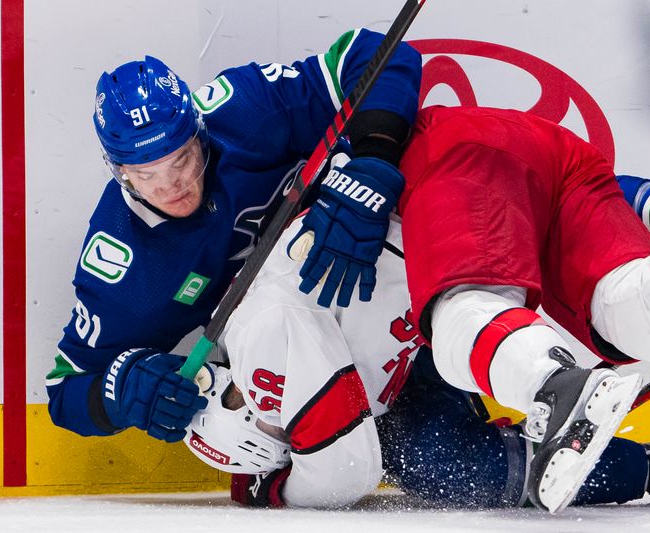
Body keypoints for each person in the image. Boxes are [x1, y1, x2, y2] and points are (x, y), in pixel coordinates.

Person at [45, 30, 422, 442]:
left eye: (181, 161)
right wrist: (124, 388)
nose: (171, 187)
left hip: (380, 272)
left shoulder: (245, 109)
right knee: (440, 455)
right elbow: (65, 391)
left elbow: (380, 54)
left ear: (199, 131)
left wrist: (371, 163)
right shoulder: (124, 262)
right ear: (119, 171)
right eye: (146, 175)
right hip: (310, 357)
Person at [182, 208, 650, 509]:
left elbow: (343, 476)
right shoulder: (250, 344)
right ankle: (646, 463)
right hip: (418, 322)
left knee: (432, 456)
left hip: (440, 259)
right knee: (432, 456)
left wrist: (277, 492)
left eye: (258, 403)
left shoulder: (265, 340)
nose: (276, 402)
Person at [394, 105, 650, 512]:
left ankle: (555, 384)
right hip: (551, 152)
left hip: (454, 156)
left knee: (464, 309)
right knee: (628, 304)